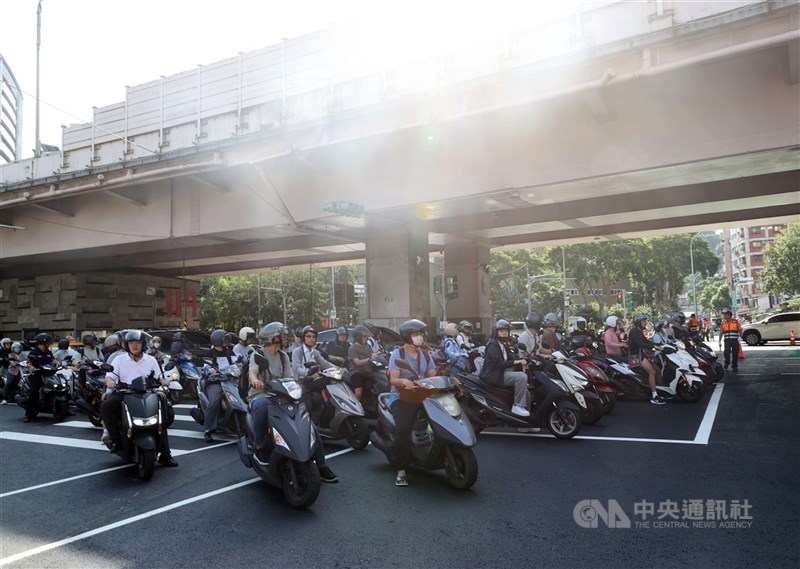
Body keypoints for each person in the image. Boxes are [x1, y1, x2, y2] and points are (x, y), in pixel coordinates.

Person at [247, 322, 338, 483]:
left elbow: (289, 378)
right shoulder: (257, 355)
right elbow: (252, 372)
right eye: (282, 335)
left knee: (308, 424)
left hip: (282, 396)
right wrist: (255, 380)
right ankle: (259, 446)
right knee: (261, 406)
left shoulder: (283, 356)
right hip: (261, 395)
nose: (285, 338)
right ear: (274, 338)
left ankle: (322, 465)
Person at [100, 330, 178, 466]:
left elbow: (159, 378)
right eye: (131, 343)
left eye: (137, 343)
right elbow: (109, 376)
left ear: (143, 344)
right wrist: (110, 383)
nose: (134, 346)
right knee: (106, 407)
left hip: (147, 392)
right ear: (126, 345)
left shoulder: (151, 360)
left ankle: (165, 454)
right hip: (125, 393)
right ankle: (117, 441)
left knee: (163, 406)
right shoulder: (119, 360)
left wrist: (161, 386)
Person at [387, 319, 438, 486]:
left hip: (421, 394)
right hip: (402, 396)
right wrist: (403, 381)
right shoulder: (398, 354)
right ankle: (401, 470)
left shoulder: (425, 354)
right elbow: (393, 379)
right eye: (416, 334)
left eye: (421, 334)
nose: (419, 337)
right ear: (407, 337)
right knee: (403, 430)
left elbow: (432, 375)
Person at [479, 319, 530, 417]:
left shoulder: (502, 344)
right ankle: (518, 406)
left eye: (506, 331)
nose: (504, 333)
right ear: (496, 332)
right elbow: (500, 364)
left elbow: (511, 357)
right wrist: (517, 361)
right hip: (494, 375)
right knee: (521, 377)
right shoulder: (493, 345)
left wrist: (526, 358)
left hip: (500, 372)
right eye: (502, 331)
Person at [291, 325, 336, 422]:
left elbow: (325, 364)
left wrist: (339, 369)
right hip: (301, 383)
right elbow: (297, 368)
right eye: (308, 336)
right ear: (303, 338)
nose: (311, 339)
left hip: (315, 383)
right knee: (310, 401)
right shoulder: (297, 352)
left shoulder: (315, 352)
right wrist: (308, 373)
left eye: (313, 337)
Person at [200, 329, 238, 443]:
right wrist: (210, 369)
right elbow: (206, 366)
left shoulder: (230, 352)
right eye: (224, 339)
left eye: (227, 338)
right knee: (215, 400)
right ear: (217, 340)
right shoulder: (210, 353)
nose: (227, 341)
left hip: (230, 380)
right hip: (214, 381)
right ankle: (208, 430)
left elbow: (236, 364)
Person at [627, 314, 666, 405]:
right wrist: (654, 346)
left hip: (641, 354)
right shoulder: (634, 332)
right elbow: (640, 343)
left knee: (657, 369)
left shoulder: (639, 331)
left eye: (645, 321)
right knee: (652, 372)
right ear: (638, 322)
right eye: (643, 321)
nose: (645, 323)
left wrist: (659, 344)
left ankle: (661, 391)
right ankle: (654, 396)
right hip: (635, 356)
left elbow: (646, 341)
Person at [21, 333, 56, 422]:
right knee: (34, 392)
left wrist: (59, 363)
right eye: (48, 341)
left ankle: (64, 409)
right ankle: (28, 414)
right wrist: (30, 366)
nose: (49, 343)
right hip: (37, 374)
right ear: (43, 342)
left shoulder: (48, 352)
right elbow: (28, 363)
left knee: (62, 387)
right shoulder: (34, 352)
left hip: (49, 374)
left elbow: (53, 360)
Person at [347, 324, 380, 401]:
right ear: (358, 337)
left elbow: (372, 355)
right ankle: (355, 408)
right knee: (358, 393)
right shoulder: (352, 348)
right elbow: (357, 362)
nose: (366, 338)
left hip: (368, 372)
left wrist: (378, 354)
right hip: (357, 373)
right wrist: (369, 358)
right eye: (364, 337)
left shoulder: (367, 346)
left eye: (366, 336)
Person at [1, 340, 24, 405]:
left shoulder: (23, 354)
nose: (17, 349)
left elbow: (27, 361)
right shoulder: (10, 354)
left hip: (20, 372)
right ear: (13, 349)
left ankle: (15, 397)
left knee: (16, 385)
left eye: (18, 347)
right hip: (12, 372)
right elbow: (12, 362)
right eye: (15, 348)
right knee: (8, 383)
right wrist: (16, 363)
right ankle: (4, 398)